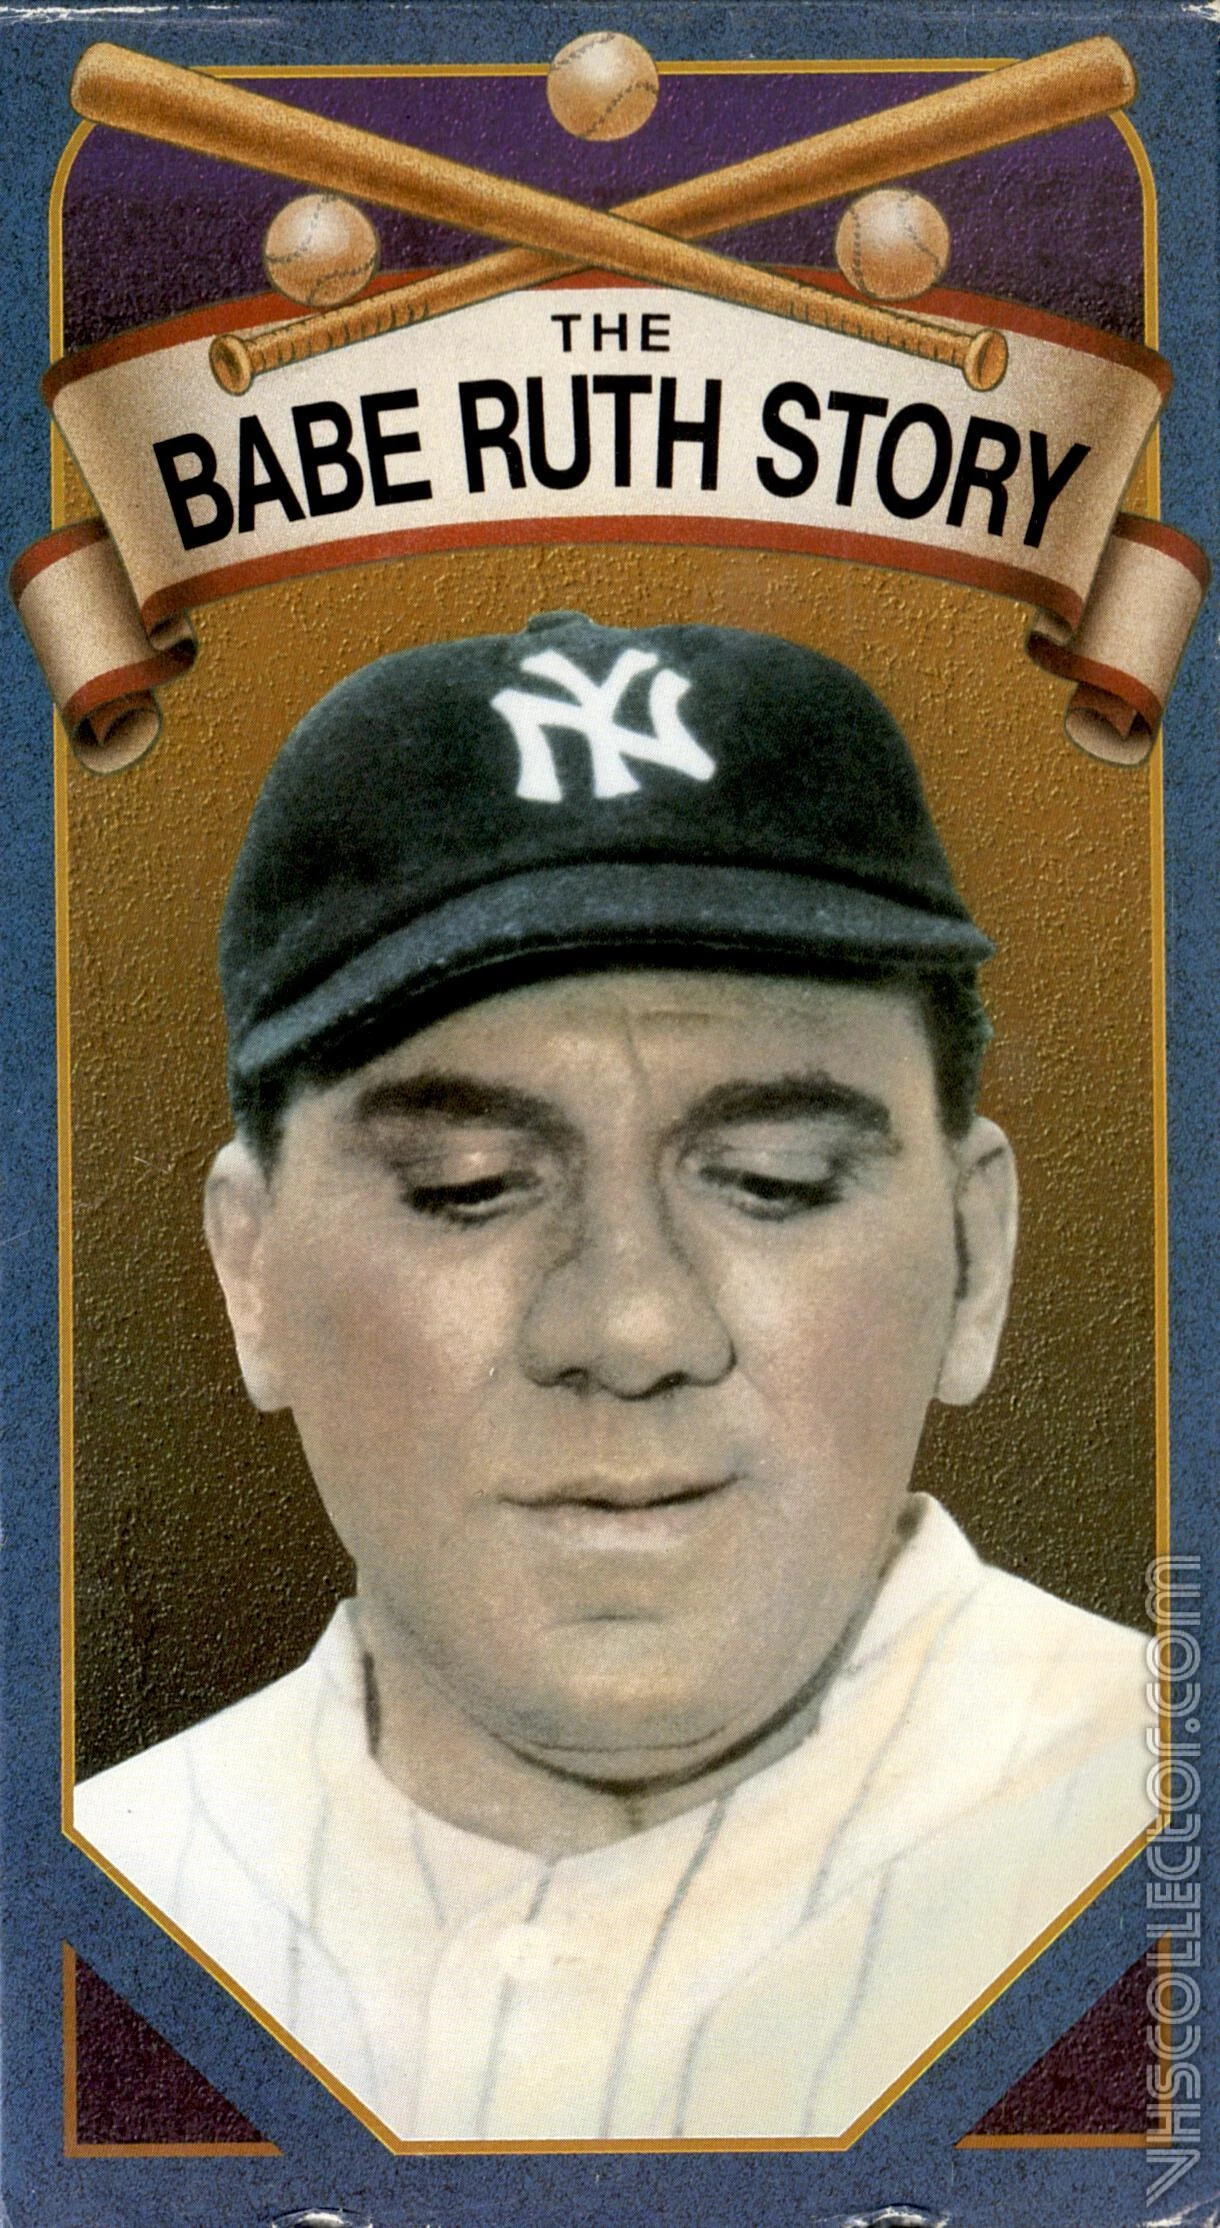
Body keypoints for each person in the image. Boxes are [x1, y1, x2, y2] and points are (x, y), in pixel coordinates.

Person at [75, 612, 1152, 2143]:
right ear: (251, 1275)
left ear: (975, 1259)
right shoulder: (90, 1907)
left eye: (772, 1181)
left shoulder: (1157, 1830)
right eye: (465, 1188)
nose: (632, 1326)